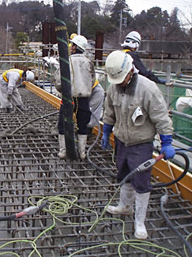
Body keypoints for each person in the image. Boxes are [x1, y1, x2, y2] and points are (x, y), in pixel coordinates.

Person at [101, 50, 175, 239]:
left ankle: (139, 221)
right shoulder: (114, 87)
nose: (119, 83)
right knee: (123, 174)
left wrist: (166, 141)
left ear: (129, 71)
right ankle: (125, 207)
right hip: (122, 141)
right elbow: (109, 110)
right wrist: (106, 130)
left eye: (121, 78)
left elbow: (161, 117)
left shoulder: (147, 89)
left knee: (141, 181)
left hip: (141, 143)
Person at [58, 35, 93, 160]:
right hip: (83, 98)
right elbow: (92, 80)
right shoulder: (88, 62)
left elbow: (58, 81)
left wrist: (62, 90)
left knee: (63, 124)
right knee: (82, 124)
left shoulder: (66, 60)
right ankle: (82, 152)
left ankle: (63, 151)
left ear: (74, 47)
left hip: (68, 98)